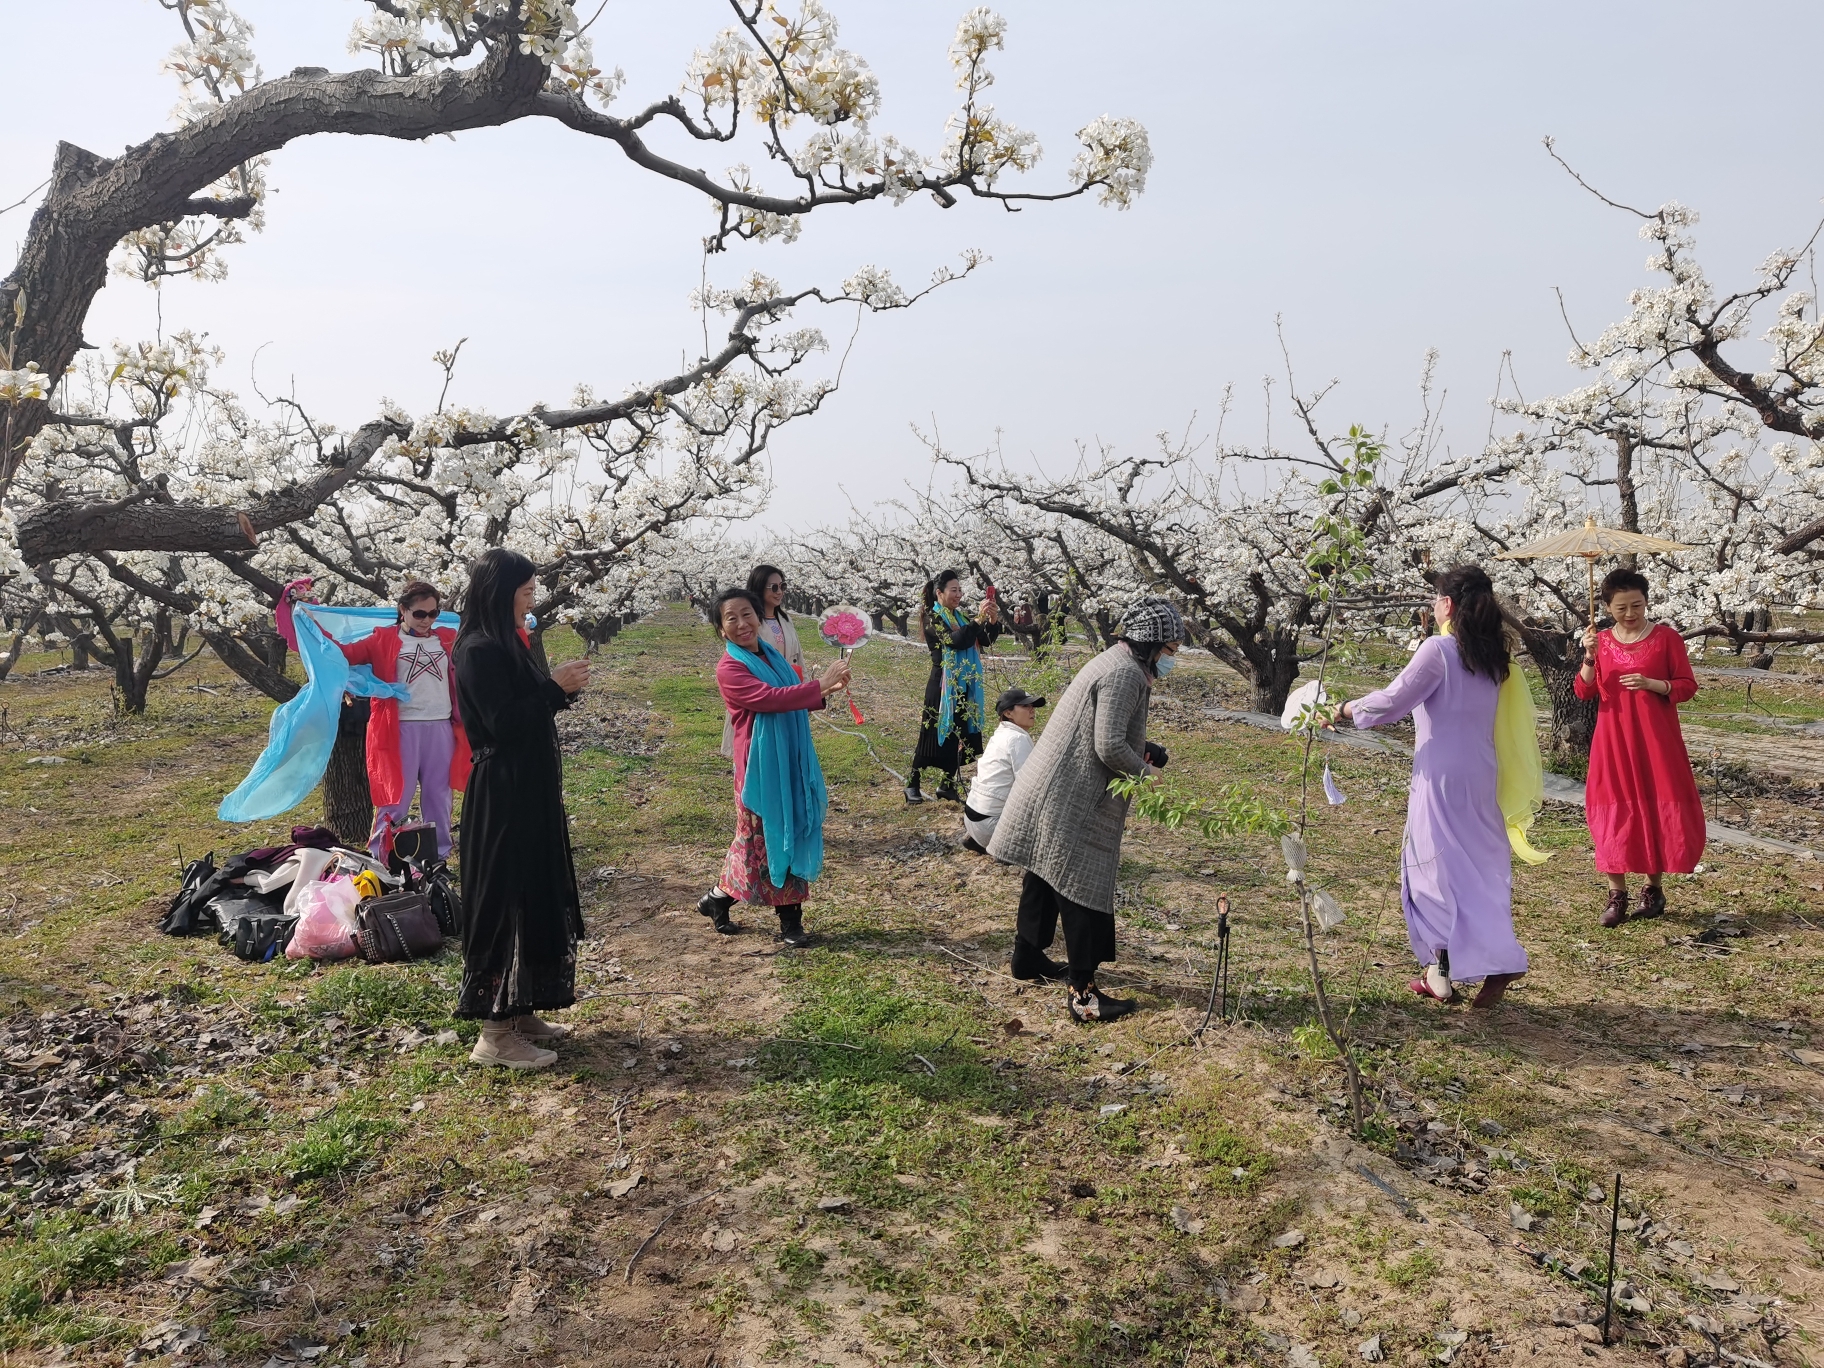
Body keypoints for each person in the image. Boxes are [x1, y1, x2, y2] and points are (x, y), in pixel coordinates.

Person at [1338, 565, 1529, 1009]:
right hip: (1481, 772)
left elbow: (1393, 701)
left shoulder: (1439, 650)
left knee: (1431, 865)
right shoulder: (1492, 656)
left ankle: (1440, 967)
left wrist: (1345, 708)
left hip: (1439, 774)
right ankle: (1491, 958)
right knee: (1479, 868)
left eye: (1435, 599)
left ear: (1446, 604)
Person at [990, 597, 1181, 1022]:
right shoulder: (1125, 674)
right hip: (1069, 797)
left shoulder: (1113, 661)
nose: (1171, 659)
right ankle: (1083, 995)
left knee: (1043, 874)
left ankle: (1026, 958)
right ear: (1150, 645)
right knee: (1080, 887)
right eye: (1169, 650)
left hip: (1052, 786)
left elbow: (1103, 729)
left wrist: (1144, 749)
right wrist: (1145, 774)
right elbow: (1108, 744)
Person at [452, 549, 591, 1070]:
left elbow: (529, 707)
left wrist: (558, 687)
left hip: (529, 786)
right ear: (500, 591)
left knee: (534, 889)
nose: (532, 599)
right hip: (504, 790)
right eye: (526, 590)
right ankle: (493, 1032)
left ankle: (520, 1006)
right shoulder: (478, 649)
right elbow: (504, 722)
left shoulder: (509, 641)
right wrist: (555, 689)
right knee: (505, 897)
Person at [699, 586, 850, 946]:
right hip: (759, 769)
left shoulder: (773, 657)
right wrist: (818, 685)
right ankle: (783, 922)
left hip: (789, 761)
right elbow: (770, 700)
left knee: (790, 831)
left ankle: (723, 901)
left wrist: (826, 689)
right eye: (730, 618)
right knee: (760, 844)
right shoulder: (730, 668)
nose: (741, 623)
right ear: (722, 630)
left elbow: (792, 698)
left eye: (747, 614)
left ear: (758, 617)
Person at [1574, 567, 1705, 927]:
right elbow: (1584, 691)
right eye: (1621, 608)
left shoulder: (1666, 639)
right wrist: (1588, 656)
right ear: (1606, 607)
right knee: (1613, 808)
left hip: (1656, 739)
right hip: (1613, 739)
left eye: (1637, 605)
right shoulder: (1599, 641)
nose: (1630, 614)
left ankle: (1653, 889)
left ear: (1647, 602)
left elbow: (1686, 686)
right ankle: (1616, 894)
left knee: (1652, 804)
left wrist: (1653, 684)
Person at [335, 580, 469, 861]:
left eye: (433, 614)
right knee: (394, 798)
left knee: (439, 798)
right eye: (420, 614)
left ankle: (438, 858)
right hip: (399, 728)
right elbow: (342, 654)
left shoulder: (447, 637)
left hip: (441, 726)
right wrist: (307, 623)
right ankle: (381, 858)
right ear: (403, 610)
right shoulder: (382, 638)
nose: (427, 621)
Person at [906, 570, 1002, 804]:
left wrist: (992, 620)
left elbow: (985, 640)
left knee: (960, 733)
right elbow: (957, 641)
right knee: (931, 736)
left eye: (960, 590)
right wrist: (977, 620)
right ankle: (912, 784)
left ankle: (947, 785)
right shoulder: (933, 618)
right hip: (942, 685)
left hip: (965, 682)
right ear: (939, 593)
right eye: (954, 590)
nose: (958, 594)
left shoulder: (959, 617)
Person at [720, 564, 806, 759]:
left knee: (787, 752)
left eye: (782, 586)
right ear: (759, 587)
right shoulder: (751, 627)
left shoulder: (784, 619)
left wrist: (806, 690)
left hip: (789, 691)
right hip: (762, 696)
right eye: (773, 587)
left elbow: (798, 656)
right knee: (758, 755)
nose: (780, 592)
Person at [962, 687, 1046, 854]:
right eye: (1025, 706)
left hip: (973, 819)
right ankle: (1001, 848)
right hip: (990, 825)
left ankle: (982, 841)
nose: (1032, 710)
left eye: (1032, 706)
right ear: (1008, 713)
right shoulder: (1018, 738)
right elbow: (1029, 788)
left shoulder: (1000, 735)